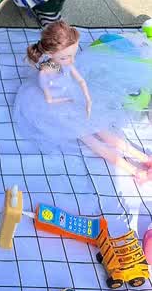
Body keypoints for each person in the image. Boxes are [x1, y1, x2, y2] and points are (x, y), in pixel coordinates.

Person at [12, 22, 152, 181]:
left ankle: (144, 158)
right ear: (50, 54)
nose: (71, 60)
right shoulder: (45, 73)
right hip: (57, 107)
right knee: (90, 139)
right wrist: (70, 99)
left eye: (73, 55)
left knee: (102, 129)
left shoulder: (67, 64)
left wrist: (87, 98)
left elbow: (80, 81)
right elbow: (50, 100)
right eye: (65, 57)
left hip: (73, 96)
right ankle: (134, 170)